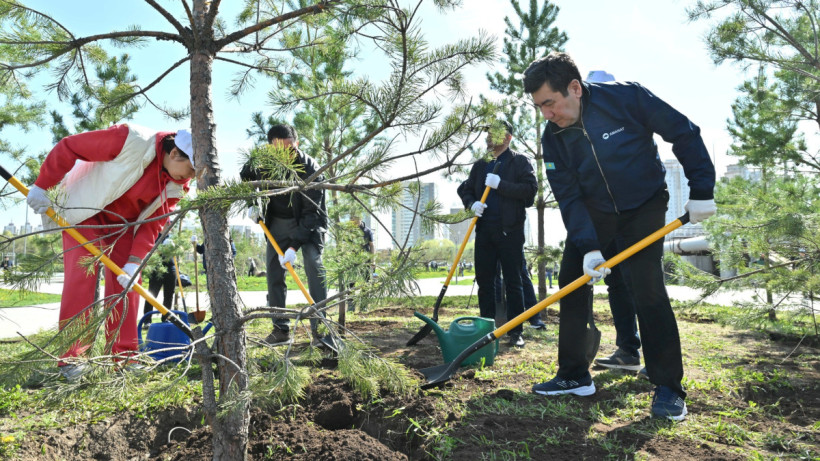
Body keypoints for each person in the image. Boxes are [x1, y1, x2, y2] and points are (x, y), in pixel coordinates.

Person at [523, 52, 716, 421]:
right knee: (573, 280)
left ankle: (667, 387)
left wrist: (702, 188)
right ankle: (574, 374)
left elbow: (684, 132)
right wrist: (590, 247)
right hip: (595, 212)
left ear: (574, 88)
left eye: (549, 103)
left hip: (643, 205)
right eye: (539, 107)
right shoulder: (554, 138)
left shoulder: (627, 98)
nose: (546, 114)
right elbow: (568, 195)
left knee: (646, 287)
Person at [24, 125, 195, 380]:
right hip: (86, 212)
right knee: (82, 279)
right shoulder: (130, 139)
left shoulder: (177, 185)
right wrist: (42, 185)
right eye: (191, 170)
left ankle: (124, 356)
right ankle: (73, 359)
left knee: (127, 285)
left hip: (123, 226)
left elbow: (152, 223)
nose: (190, 178)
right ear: (174, 155)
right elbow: (70, 146)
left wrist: (134, 262)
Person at [240, 123, 328, 345]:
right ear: (271, 148)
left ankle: (321, 330)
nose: (287, 154)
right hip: (277, 222)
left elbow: (311, 213)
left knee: (313, 264)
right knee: (273, 272)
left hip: (308, 225)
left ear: (296, 143)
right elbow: (245, 176)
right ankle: (280, 329)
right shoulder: (263, 162)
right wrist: (252, 203)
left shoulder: (310, 169)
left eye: (291, 148)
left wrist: (293, 247)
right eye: (280, 150)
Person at [457, 120, 537, 348]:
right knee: (485, 281)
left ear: (508, 137)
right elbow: (465, 189)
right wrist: (471, 203)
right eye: (488, 133)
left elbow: (530, 191)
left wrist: (502, 184)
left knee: (513, 281)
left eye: (495, 133)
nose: (489, 137)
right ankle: (486, 329)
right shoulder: (481, 164)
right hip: (485, 231)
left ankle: (516, 331)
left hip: (509, 231)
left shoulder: (519, 162)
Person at [493, 252, 547, 329]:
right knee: (494, 274)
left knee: (522, 274)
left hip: (513, 242)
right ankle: (496, 315)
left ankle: (534, 318)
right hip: (492, 242)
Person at [347, 215, 375, 312]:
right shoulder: (349, 231)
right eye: (352, 219)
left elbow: (371, 246)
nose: (353, 221)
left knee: (366, 283)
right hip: (353, 262)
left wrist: (373, 260)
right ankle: (351, 307)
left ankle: (364, 306)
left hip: (365, 261)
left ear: (360, 218)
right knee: (351, 284)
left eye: (355, 219)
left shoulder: (367, 231)